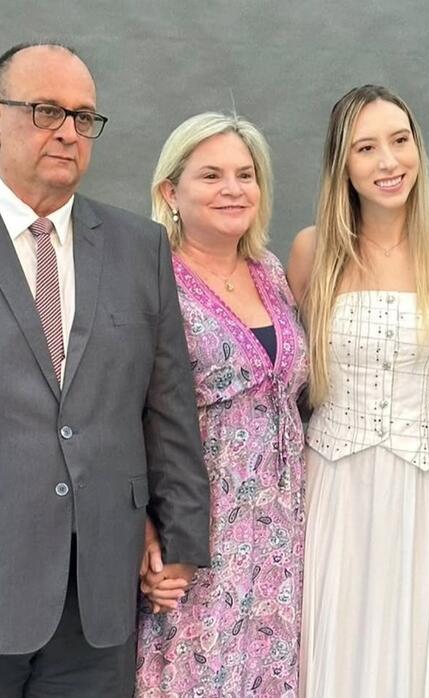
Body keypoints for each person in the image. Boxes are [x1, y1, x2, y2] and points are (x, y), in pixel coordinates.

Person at [0, 42, 210, 697]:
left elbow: (168, 406)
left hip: (97, 598)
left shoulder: (139, 248)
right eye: (46, 111)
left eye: (83, 117)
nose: (68, 132)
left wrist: (182, 536)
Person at [288, 85, 429, 698]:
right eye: (366, 147)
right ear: (342, 164)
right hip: (336, 483)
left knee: (422, 645)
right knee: (336, 639)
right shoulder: (312, 251)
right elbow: (290, 377)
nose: (388, 161)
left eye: (400, 141)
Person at [135, 112, 308, 697]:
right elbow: (120, 413)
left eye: (245, 174)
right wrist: (147, 530)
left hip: (281, 529)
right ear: (170, 192)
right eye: (211, 175)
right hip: (196, 527)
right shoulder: (151, 279)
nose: (233, 189)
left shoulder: (270, 272)